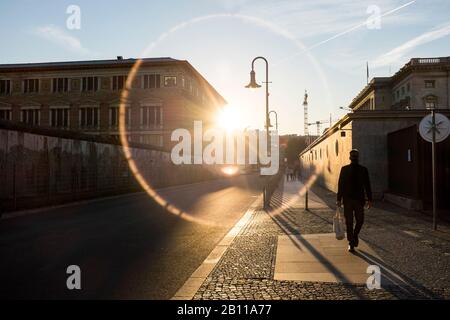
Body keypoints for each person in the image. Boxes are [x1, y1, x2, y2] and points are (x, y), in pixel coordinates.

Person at [336, 149, 372, 253]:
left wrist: (369, 199)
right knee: (349, 222)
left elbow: (367, 185)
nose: (354, 157)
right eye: (353, 156)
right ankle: (351, 243)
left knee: (360, 221)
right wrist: (339, 199)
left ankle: (354, 235)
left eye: (355, 156)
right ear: (350, 157)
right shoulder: (344, 169)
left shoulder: (363, 170)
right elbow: (340, 185)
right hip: (347, 200)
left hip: (359, 200)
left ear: (358, 157)